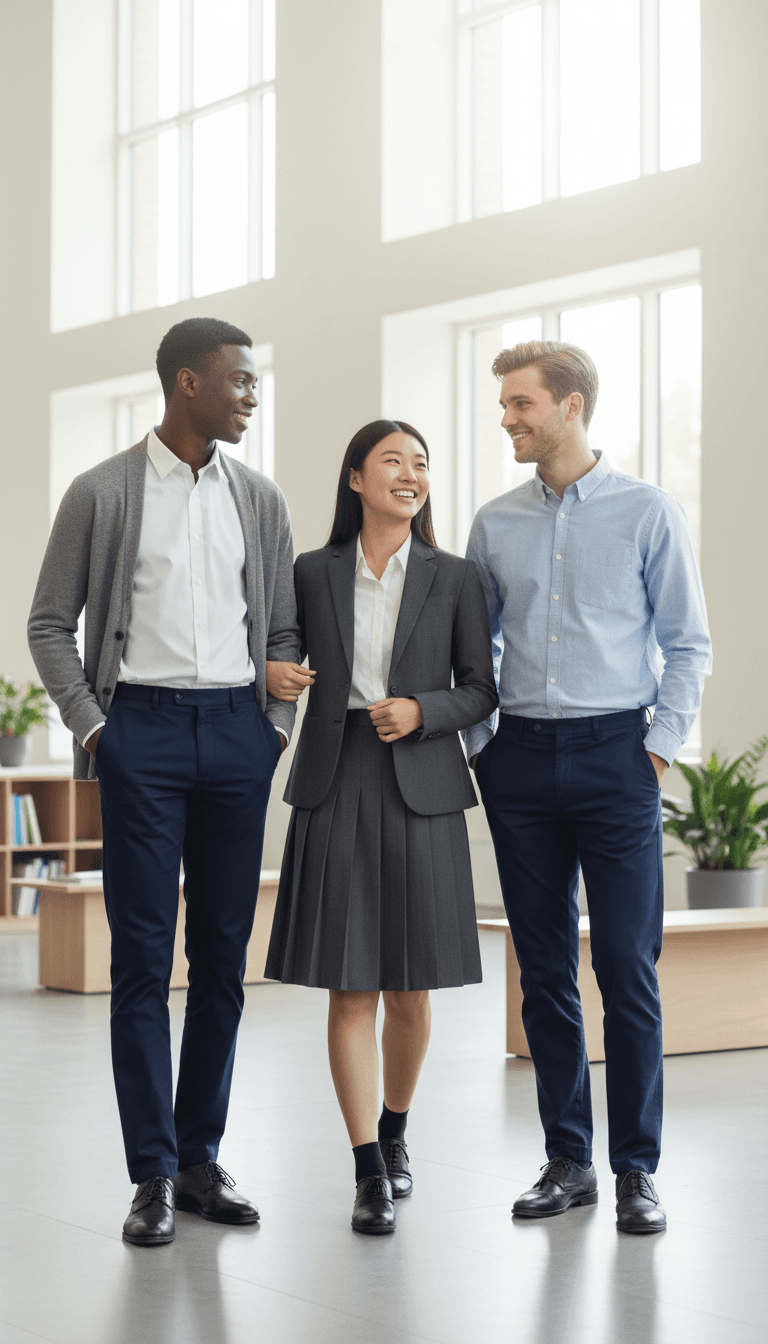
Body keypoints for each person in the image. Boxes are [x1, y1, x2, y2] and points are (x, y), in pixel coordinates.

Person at [28, 317, 300, 1247]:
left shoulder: (259, 499)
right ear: (189, 384)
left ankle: (198, 1158)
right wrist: (98, 730)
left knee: (224, 960)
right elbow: (49, 622)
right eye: (239, 381)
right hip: (138, 732)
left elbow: (283, 634)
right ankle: (149, 1172)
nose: (252, 396)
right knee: (142, 960)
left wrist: (271, 730)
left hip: (235, 737)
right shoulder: (100, 493)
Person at [466, 341, 712, 1234]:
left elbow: (689, 644)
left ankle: (637, 1168)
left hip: (618, 757)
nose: (509, 419)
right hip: (520, 760)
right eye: (505, 406)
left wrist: (653, 753)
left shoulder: (648, 512)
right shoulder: (494, 523)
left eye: (522, 404)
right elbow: (475, 648)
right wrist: (487, 742)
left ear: (571, 407)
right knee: (542, 971)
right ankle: (568, 1160)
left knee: (626, 968)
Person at [265, 419, 498, 1234]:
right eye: (393, 461)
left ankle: (397, 1131)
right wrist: (275, 666)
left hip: (423, 781)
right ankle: (368, 1167)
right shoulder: (308, 570)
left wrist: (424, 710)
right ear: (356, 477)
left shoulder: (457, 577)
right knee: (350, 981)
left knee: (410, 984)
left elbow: (480, 689)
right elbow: (282, 642)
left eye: (421, 464)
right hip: (336, 778)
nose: (410, 474)